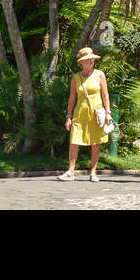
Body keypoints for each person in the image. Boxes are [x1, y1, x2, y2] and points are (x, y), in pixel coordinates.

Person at [60, 47, 112, 182]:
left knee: (96, 143)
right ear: (81, 62)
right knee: (74, 141)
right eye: (87, 59)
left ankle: (93, 172)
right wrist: (68, 117)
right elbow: (72, 98)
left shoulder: (99, 74)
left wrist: (108, 113)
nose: (90, 61)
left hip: (96, 113)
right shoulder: (76, 78)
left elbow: (105, 95)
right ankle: (71, 171)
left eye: (92, 59)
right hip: (80, 113)